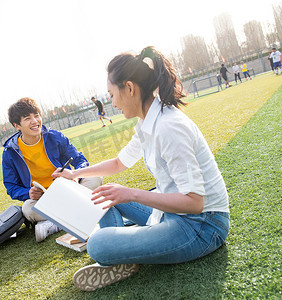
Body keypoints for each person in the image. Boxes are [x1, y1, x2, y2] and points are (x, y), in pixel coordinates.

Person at [53, 46, 230, 292]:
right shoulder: (147, 121)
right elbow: (119, 163)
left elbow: (195, 203)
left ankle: (119, 249)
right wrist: (74, 174)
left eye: (111, 94)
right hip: (172, 214)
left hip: (201, 226)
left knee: (98, 245)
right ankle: (127, 247)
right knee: (102, 197)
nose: (112, 102)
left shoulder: (169, 126)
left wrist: (132, 194)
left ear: (129, 88)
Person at [3, 98, 102, 242]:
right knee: (28, 209)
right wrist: (28, 193)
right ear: (17, 125)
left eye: (36, 115)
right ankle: (80, 211)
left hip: (70, 189)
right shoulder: (10, 152)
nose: (35, 121)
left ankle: (55, 223)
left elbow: (80, 160)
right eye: (27, 118)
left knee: (95, 177)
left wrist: (74, 175)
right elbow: (11, 186)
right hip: (45, 198)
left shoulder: (55, 137)